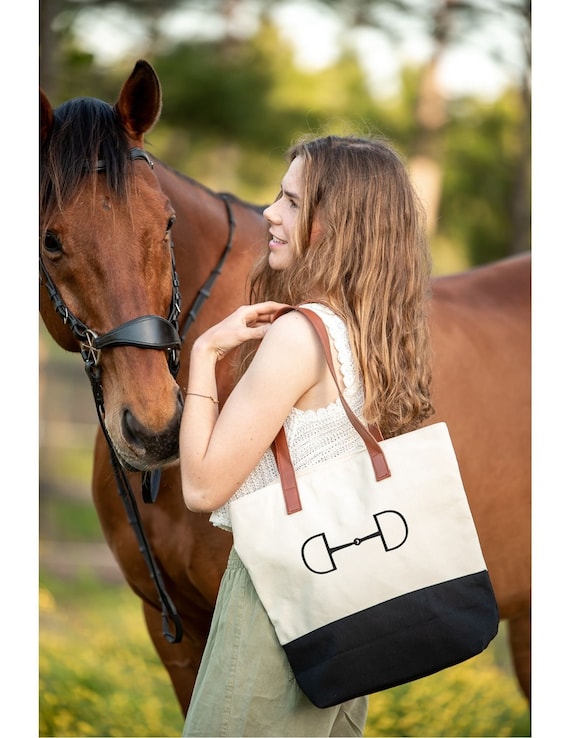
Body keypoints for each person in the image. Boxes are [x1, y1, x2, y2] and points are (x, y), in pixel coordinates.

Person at [179, 134, 434, 737]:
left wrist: (204, 352)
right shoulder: (373, 333)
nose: (269, 212)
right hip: (346, 602)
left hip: (278, 597)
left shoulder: (299, 337)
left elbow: (201, 487)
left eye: (291, 201)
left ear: (334, 225)